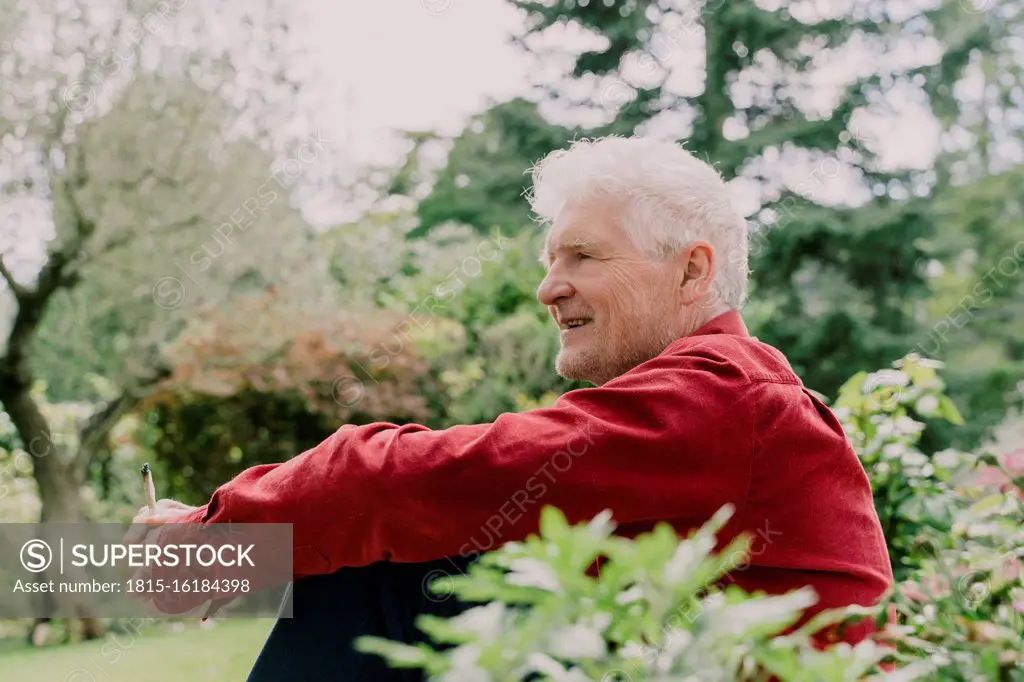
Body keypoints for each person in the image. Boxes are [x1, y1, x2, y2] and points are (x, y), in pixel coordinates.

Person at [134, 136, 893, 679]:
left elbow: (417, 480)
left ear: (692, 271)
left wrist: (203, 546)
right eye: (548, 259)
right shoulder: (721, 401)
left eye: (582, 257)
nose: (546, 287)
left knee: (380, 563)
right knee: (396, 561)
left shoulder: (724, 396)